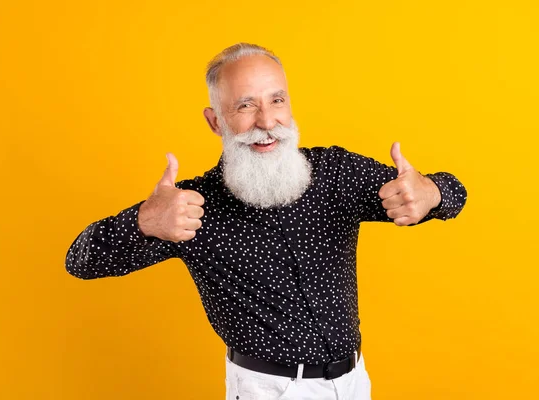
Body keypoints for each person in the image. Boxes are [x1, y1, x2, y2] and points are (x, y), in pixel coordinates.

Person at [65, 43, 467, 400]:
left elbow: (448, 194)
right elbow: (81, 261)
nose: (266, 120)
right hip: (267, 390)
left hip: (353, 383)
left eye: (277, 101)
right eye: (245, 105)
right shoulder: (188, 207)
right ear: (215, 121)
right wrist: (144, 221)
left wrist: (431, 192)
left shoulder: (335, 172)